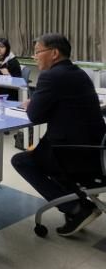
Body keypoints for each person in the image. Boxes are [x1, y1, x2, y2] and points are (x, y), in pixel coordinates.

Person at [11, 34, 106, 236]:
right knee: (40, 153)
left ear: (54, 53)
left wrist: (31, 103)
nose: (35, 57)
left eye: (37, 52)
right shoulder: (78, 73)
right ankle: (78, 203)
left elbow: (35, 115)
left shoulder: (51, 76)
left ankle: (75, 208)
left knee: (22, 161)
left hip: (75, 155)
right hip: (96, 150)